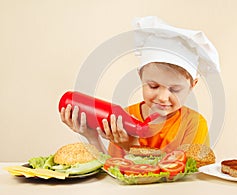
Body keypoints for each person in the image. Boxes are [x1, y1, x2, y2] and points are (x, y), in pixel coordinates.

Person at [60, 16, 220, 157]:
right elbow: (114, 170)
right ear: (141, 77)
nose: (163, 97)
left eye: (175, 89)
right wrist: (92, 137)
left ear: (193, 85)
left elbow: (183, 177)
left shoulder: (194, 124)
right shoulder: (124, 116)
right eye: (153, 86)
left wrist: (132, 147)